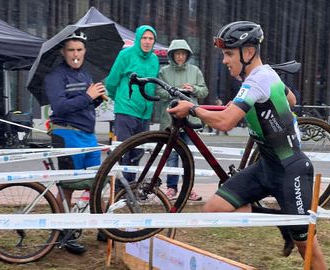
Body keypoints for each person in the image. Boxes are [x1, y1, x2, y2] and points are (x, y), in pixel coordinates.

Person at [167, 21, 327, 269]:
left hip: (290, 171)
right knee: (214, 209)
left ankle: (292, 224)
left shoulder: (256, 80)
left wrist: (193, 108)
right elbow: (291, 99)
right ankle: (284, 220)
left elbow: (225, 122)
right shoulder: (265, 75)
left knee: (308, 252)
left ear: (249, 52)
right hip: (266, 167)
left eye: (229, 54)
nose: (224, 60)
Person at [44, 30, 106, 254]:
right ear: (63, 52)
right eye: (71, 50)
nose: (75, 54)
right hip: (66, 135)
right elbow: (59, 107)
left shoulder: (86, 75)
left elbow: (84, 105)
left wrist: (96, 99)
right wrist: (88, 97)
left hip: (89, 135)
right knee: (68, 187)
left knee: (97, 182)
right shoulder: (55, 76)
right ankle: (65, 233)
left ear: (85, 51)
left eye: (79, 50)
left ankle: (102, 227)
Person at [105, 25, 159, 186]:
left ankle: (131, 183)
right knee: (123, 149)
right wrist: (120, 99)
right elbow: (111, 82)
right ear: (138, 39)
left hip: (145, 113)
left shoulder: (155, 59)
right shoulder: (125, 55)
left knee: (139, 151)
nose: (147, 42)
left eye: (151, 39)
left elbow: (153, 85)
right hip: (126, 110)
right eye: (144, 38)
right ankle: (120, 185)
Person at [156, 39, 208, 201]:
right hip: (170, 119)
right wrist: (175, 92)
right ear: (172, 55)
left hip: (190, 119)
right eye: (177, 54)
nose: (180, 57)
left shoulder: (195, 70)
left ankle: (189, 187)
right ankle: (172, 188)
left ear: (187, 55)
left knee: (189, 154)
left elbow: (204, 91)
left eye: (183, 54)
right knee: (171, 155)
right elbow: (159, 92)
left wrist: (193, 89)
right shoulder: (164, 71)